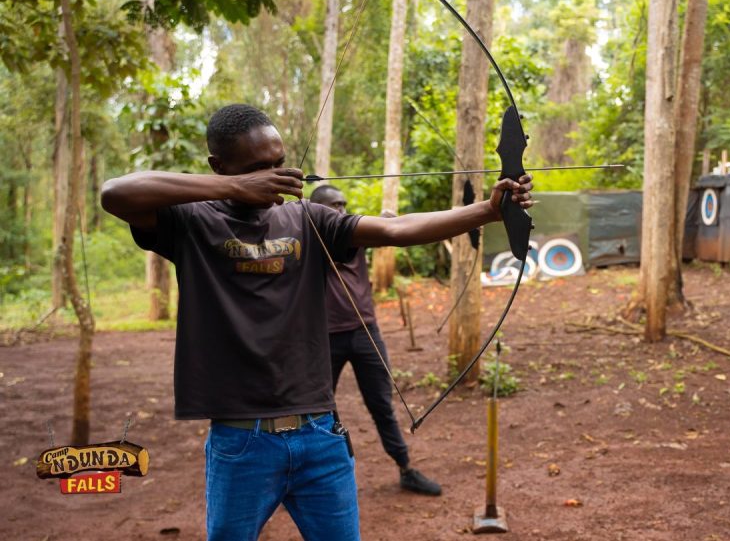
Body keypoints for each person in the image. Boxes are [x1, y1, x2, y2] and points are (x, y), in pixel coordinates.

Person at [100, 104, 533, 541]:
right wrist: (234, 187)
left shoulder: (307, 218)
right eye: (257, 168)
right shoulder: (191, 221)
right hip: (242, 441)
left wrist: (488, 210)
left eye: (278, 163)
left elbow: (396, 229)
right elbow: (115, 193)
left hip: (320, 436)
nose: (274, 175)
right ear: (219, 166)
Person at [309, 185, 442, 496]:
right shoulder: (308, 240)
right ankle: (331, 473)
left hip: (365, 333)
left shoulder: (355, 236)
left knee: (381, 404)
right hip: (325, 338)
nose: (341, 211)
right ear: (316, 211)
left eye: (343, 204)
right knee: (322, 409)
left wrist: (386, 219)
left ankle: (405, 468)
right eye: (333, 205)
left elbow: (389, 226)